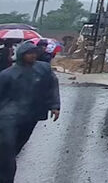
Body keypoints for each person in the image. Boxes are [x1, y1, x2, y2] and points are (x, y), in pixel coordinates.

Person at [0, 42, 60, 183]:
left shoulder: (43, 69)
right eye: (29, 53)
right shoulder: (7, 75)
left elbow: (52, 86)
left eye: (34, 52)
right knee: (7, 149)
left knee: (16, 147)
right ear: (21, 54)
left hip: (30, 115)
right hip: (7, 118)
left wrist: (55, 105)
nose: (33, 55)